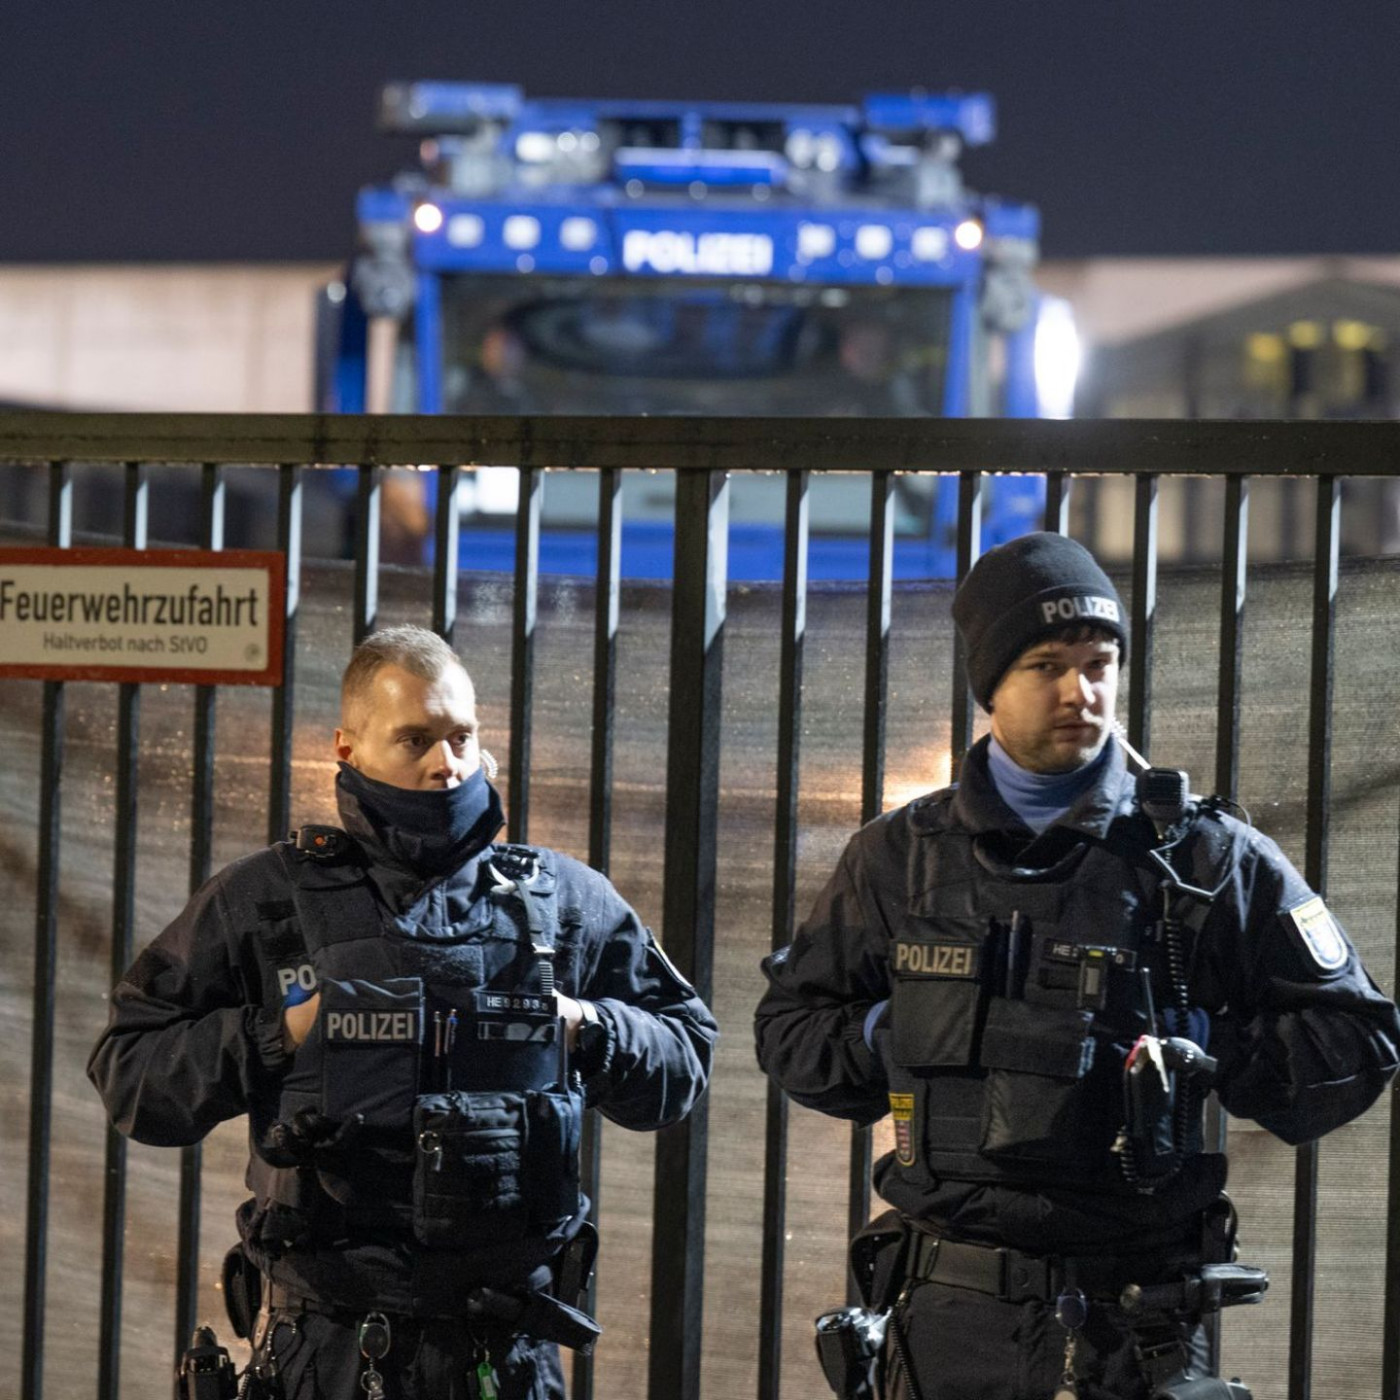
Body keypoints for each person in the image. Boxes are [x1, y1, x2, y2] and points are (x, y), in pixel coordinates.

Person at [755, 532, 1400, 1400]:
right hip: (947, 1313)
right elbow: (791, 1029)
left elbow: (1355, 1041)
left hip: (1134, 1320)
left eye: (1099, 664)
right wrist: (890, 1034)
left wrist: (1201, 1048)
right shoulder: (899, 858)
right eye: (1045, 665)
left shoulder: (1205, 858)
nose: (1079, 692)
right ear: (990, 686)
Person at [90, 624, 718, 1400]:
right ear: (348, 750)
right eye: (415, 739)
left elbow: (687, 1056)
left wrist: (585, 1027)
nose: (445, 765)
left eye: (461, 737)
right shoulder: (268, 901)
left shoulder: (560, 903)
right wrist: (278, 1033)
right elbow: (130, 1075)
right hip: (329, 1348)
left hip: (504, 1353)